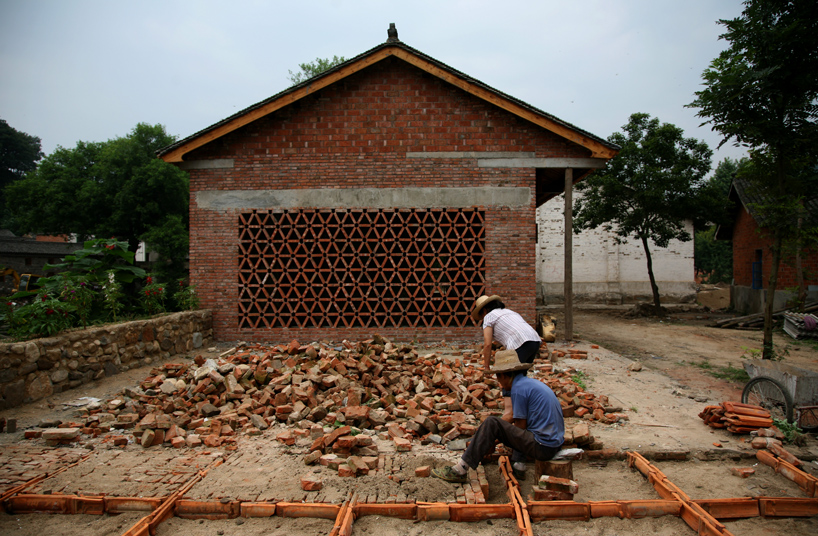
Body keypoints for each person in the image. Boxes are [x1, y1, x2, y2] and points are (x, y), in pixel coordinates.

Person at [432, 350, 571, 483]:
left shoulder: (519, 390)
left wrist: (491, 439)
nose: (499, 382)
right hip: (554, 445)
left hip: (544, 447)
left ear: (504, 375)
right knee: (502, 426)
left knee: (492, 422)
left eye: (498, 377)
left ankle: (460, 469)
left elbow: (520, 427)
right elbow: (519, 424)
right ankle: (519, 466)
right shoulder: (528, 384)